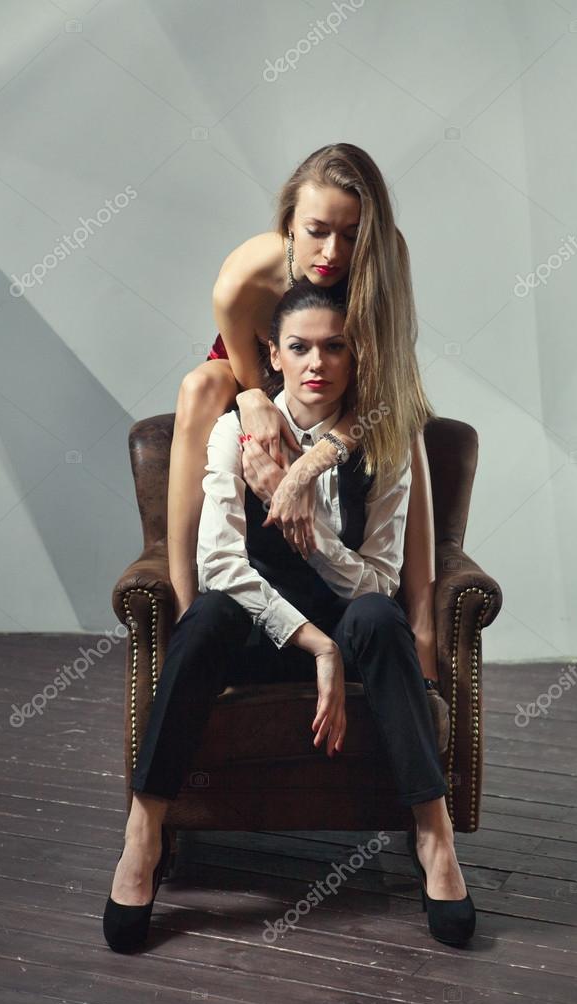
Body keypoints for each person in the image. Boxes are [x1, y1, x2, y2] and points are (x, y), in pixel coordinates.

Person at [103, 283, 476, 955]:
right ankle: (144, 831)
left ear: (355, 355)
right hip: (259, 631)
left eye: (335, 347)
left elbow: (379, 578)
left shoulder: (383, 444)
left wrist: (300, 509)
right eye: (300, 347)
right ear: (273, 354)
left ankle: (433, 833)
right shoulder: (233, 431)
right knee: (207, 615)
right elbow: (221, 564)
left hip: (350, 626)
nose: (317, 363)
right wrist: (314, 645)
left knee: (377, 616)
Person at [167, 143, 439, 697]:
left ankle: (423, 628)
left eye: (351, 234)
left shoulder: (385, 259)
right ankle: (183, 610)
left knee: (406, 424)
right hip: (262, 369)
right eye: (317, 231)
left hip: (349, 379)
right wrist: (252, 400)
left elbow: (384, 396)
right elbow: (249, 379)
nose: (333, 252)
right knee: (199, 387)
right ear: (289, 223)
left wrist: (303, 471)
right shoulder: (243, 279)